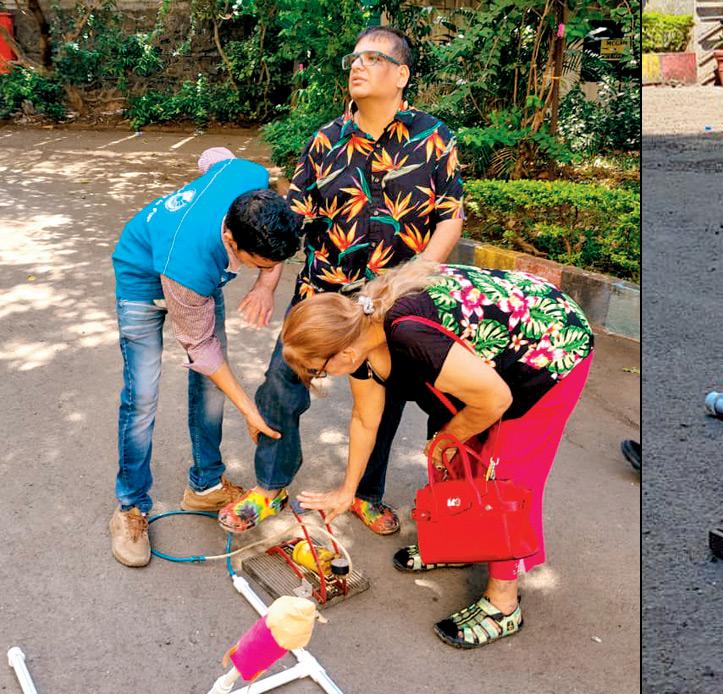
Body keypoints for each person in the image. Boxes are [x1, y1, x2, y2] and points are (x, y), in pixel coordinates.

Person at [221, 25, 464, 534]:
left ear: (401, 75)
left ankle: (365, 493)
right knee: (281, 386)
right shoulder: (325, 141)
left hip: (393, 304)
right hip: (321, 296)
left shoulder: (434, 137)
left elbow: (450, 215)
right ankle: (270, 487)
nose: (357, 65)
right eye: (354, 58)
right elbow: (290, 222)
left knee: (384, 398)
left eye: (372, 58)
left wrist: (418, 274)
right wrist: (266, 283)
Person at [280, 261, 594, 649]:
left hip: (552, 346)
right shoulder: (358, 337)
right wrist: (348, 491)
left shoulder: (409, 336)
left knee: (505, 475)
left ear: (342, 353)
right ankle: (459, 543)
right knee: (455, 452)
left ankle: (504, 604)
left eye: (318, 370)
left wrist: (446, 438)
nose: (320, 378)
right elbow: (365, 419)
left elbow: (496, 398)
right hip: (491, 354)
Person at [109, 150, 299, 567]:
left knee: (212, 391)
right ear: (231, 240)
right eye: (259, 265)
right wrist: (250, 409)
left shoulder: (247, 176)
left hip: (193, 273)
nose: (266, 269)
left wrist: (267, 284)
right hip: (143, 281)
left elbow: (213, 158)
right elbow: (202, 351)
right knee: (142, 397)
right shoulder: (190, 266)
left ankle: (205, 486)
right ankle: (131, 506)